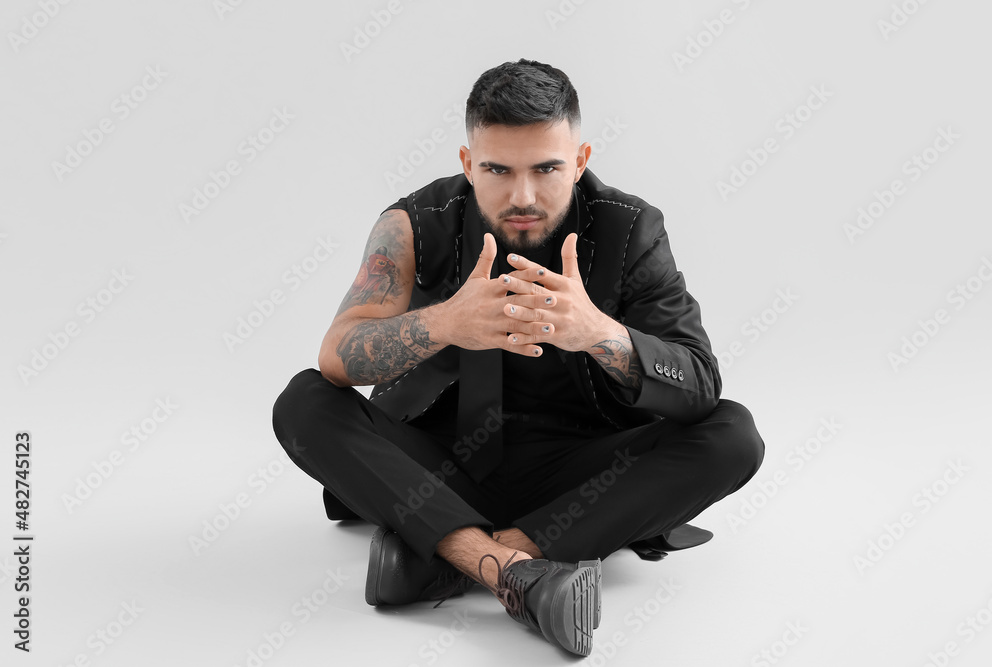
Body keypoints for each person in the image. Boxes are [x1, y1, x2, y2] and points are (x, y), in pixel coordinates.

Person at [271, 58, 765, 657]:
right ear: (466, 163)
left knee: (734, 434)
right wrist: (444, 323)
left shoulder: (631, 229)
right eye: (498, 170)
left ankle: (455, 559)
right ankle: (515, 573)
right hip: (438, 464)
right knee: (303, 400)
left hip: (581, 474)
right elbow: (336, 358)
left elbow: (700, 386)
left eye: (547, 168)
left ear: (579, 161)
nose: (522, 195)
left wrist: (599, 334)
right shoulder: (412, 224)